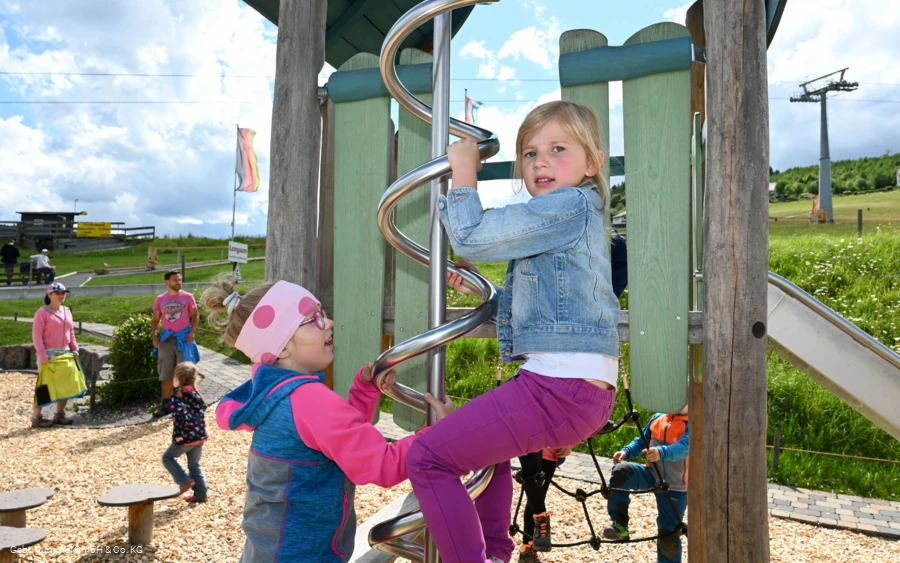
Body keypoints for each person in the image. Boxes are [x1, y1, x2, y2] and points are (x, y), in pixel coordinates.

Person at [408, 100, 620, 563]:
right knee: (486, 452)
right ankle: (494, 554)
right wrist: (481, 288)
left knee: (426, 459)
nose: (541, 161)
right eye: (529, 153)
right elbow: (543, 310)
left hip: (560, 385)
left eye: (558, 148)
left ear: (593, 163)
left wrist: (464, 175)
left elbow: (470, 236)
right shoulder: (570, 218)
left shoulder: (568, 206)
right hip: (572, 386)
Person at [202, 277, 455, 562]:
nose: (330, 322)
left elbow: (341, 442)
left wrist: (364, 390)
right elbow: (382, 465)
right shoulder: (310, 400)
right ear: (282, 347)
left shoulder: (278, 393)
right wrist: (438, 436)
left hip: (270, 549)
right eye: (314, 319)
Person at [514, 231, 628, 562]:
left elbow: (621, 258)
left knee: (537, 476)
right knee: (533, 476)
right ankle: (530, 538)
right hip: (546, 382)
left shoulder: (595, 301)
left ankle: (529, 541)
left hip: (570, 395)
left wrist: (596, 234)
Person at [602, 404, 689, 563]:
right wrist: (626, 451)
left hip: (675, 487)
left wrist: (661, 452)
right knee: (621, 471)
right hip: (651, 474)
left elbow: (683, 448)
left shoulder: (693, 424)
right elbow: (642, 440)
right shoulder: (658, 418)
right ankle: (620, 526)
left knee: (668, 536)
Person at [31, 282, 86, 427]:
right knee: (44, 387)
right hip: (49, 354)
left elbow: (71, 331)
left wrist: (75, 348)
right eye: (58, 293)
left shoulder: (67, 311)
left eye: (63, 293)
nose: (61, 296)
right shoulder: (42, 312)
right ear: (50, 295)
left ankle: (59, 414)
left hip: (65, 353)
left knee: (66, 385)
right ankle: (36, 417)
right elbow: (36, 335)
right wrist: (42, 354)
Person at [151, 271, 199, 418]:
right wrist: (154, 335)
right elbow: (155, 319)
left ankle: (187, 404)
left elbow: (195, 315)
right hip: (166, 340)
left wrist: (192, 332)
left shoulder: (188, 297)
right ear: (167, 282)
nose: (178, 282)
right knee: (165, 374)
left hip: (183, 340)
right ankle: (166, 405)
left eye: (179, 280)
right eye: (175, 280)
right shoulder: (160, 299)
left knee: (185, 374)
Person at [162, 362, 209, 503]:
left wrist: (177, 435)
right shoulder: (197, 394)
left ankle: (183, 481)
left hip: (187, 438)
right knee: (194, 465)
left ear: (177, 378)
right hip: (200, 436)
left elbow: (180, 417)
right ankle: (201, 494)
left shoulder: (178, 396)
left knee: (167, 458)